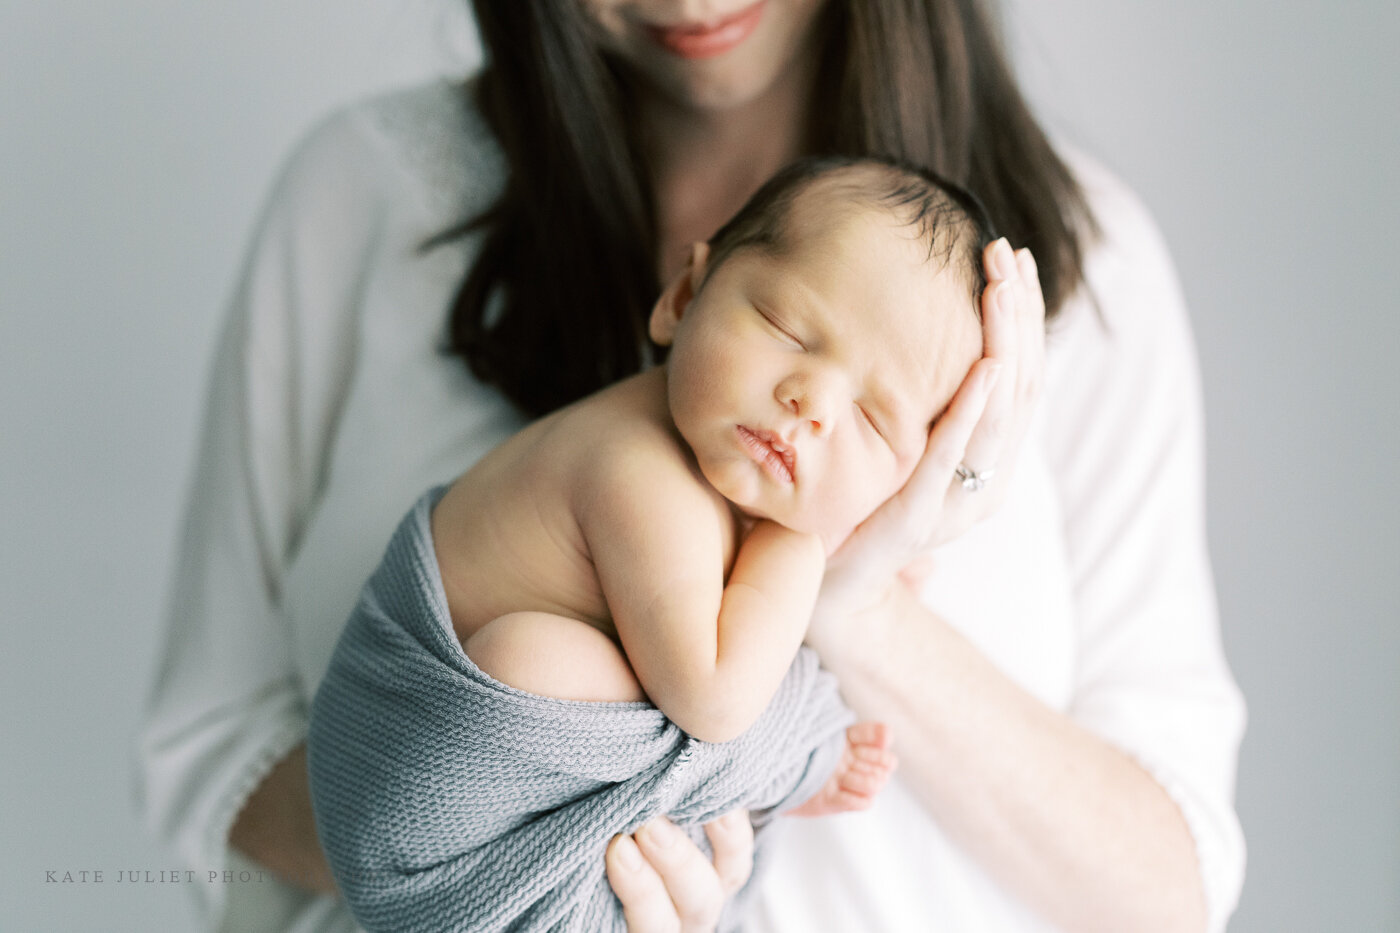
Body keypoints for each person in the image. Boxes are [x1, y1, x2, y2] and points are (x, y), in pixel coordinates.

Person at [136, 2, 1247, 932]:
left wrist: (861, 610)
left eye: (872, 413)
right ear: (687, 289)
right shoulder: (367, 193)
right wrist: (562, 845)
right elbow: (208, 750)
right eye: (779, 326)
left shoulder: (1076, 272)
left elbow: (1169, 889)